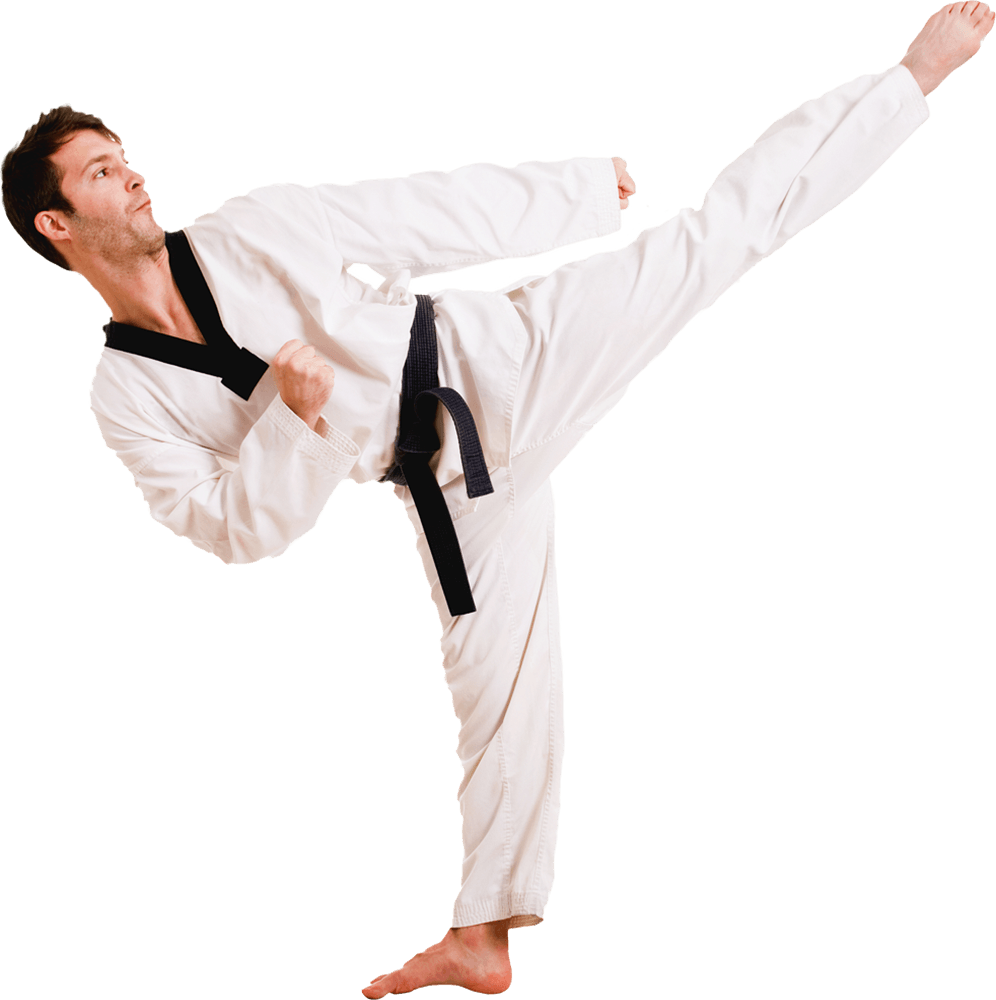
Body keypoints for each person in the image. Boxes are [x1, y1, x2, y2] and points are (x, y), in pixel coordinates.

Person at [1, 4, 991, 994]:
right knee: (494, 682)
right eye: (99, 172)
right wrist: (290, 426)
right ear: (58, 223)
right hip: (446, 481)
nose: (130, 175)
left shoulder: (248, 232)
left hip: (501, 359)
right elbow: (229, 532)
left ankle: (906, 81)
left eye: (122, 157)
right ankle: (483, 936)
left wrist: (572, 197)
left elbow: (409, 213)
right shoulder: (126, 394)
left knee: (708, 242)